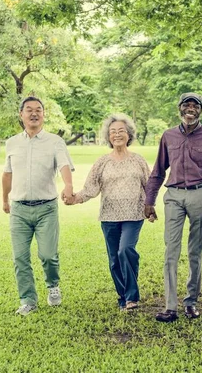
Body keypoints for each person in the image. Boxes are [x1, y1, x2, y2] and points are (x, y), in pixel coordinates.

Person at [145, 92, 202, 323]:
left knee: (195, 251)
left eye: (195, 105)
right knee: (171, 250)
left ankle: (191, 301)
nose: (190, 108)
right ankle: (170, 306)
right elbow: (158, 170)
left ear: (200, 110)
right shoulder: (168, 136)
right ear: (179, 109)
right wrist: (149, 201)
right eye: (186, 105)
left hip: (200, 194)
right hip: (174, 196)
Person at [64, 114, 150, 311]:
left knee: (125, 250)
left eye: (121, 131)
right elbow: (90, 188)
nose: (117, 135)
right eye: (113, 132)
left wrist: (150, 208)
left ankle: (131, 297)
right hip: (109, 216)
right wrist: (74, 198)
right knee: (114, 259)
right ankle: (123, 296)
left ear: (129, 135)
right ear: (108, 137)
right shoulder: (102, 162)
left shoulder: (138, 160)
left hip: (134, 215)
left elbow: (149, 185)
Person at [2, 96, 75, 316]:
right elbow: (7, 173)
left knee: (48, 255)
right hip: (19, 209)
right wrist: (4, 199)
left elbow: (63, 165)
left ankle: (53, 285)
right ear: (21, 114)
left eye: (38, 110)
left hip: (46, 208)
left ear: (44, 114)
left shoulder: (55, 141)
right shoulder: (12, 142)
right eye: (29, 110)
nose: (34, 113)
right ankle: (28, 300)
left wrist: (68, 186)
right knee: (20, 257)